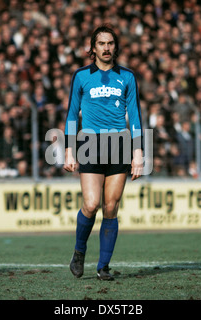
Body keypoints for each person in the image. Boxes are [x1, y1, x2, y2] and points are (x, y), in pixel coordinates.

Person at [63, 24, 143, 281]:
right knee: (91, 204)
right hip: (89, 146)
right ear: (93, 48)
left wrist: (139, 151)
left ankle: (103, 266)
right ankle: (79, 251)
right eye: (101, 43)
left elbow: (137, 117)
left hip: (119, 146)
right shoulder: (82, 76)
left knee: (111, 206)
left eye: (110, 43)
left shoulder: (127, 76)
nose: (106, 48)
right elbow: (72, 114)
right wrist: (69, 149)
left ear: (115, 47)